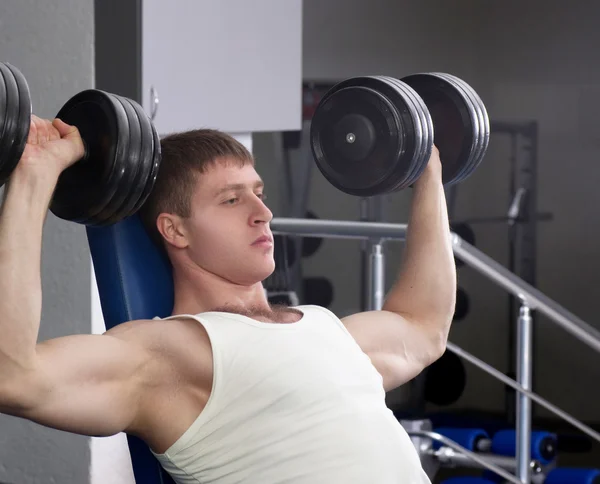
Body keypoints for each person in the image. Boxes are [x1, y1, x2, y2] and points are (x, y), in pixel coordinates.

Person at [0, 115, 456, 483]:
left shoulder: (325, 328)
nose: (264, 214)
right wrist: (35, 175)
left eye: (258, 194)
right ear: (175, 229)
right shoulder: (172, 354)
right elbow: (13, 377)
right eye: (232, 201)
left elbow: (423, 327)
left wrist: (427, 170)